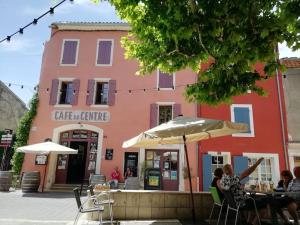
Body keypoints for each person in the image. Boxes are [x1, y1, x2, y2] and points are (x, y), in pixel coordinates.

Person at [221, 158, 267, 225]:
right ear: (230, 170)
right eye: (232, 168)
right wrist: (257, 163)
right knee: (264, 206)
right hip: (242, 203)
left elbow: (232, 188)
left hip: (233, 204)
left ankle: (248, 222)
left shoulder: (223, 180)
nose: (233, 169)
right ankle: (253, 223)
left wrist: (239, 188)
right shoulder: (233, 178)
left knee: (252, 200)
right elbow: (247, 172)